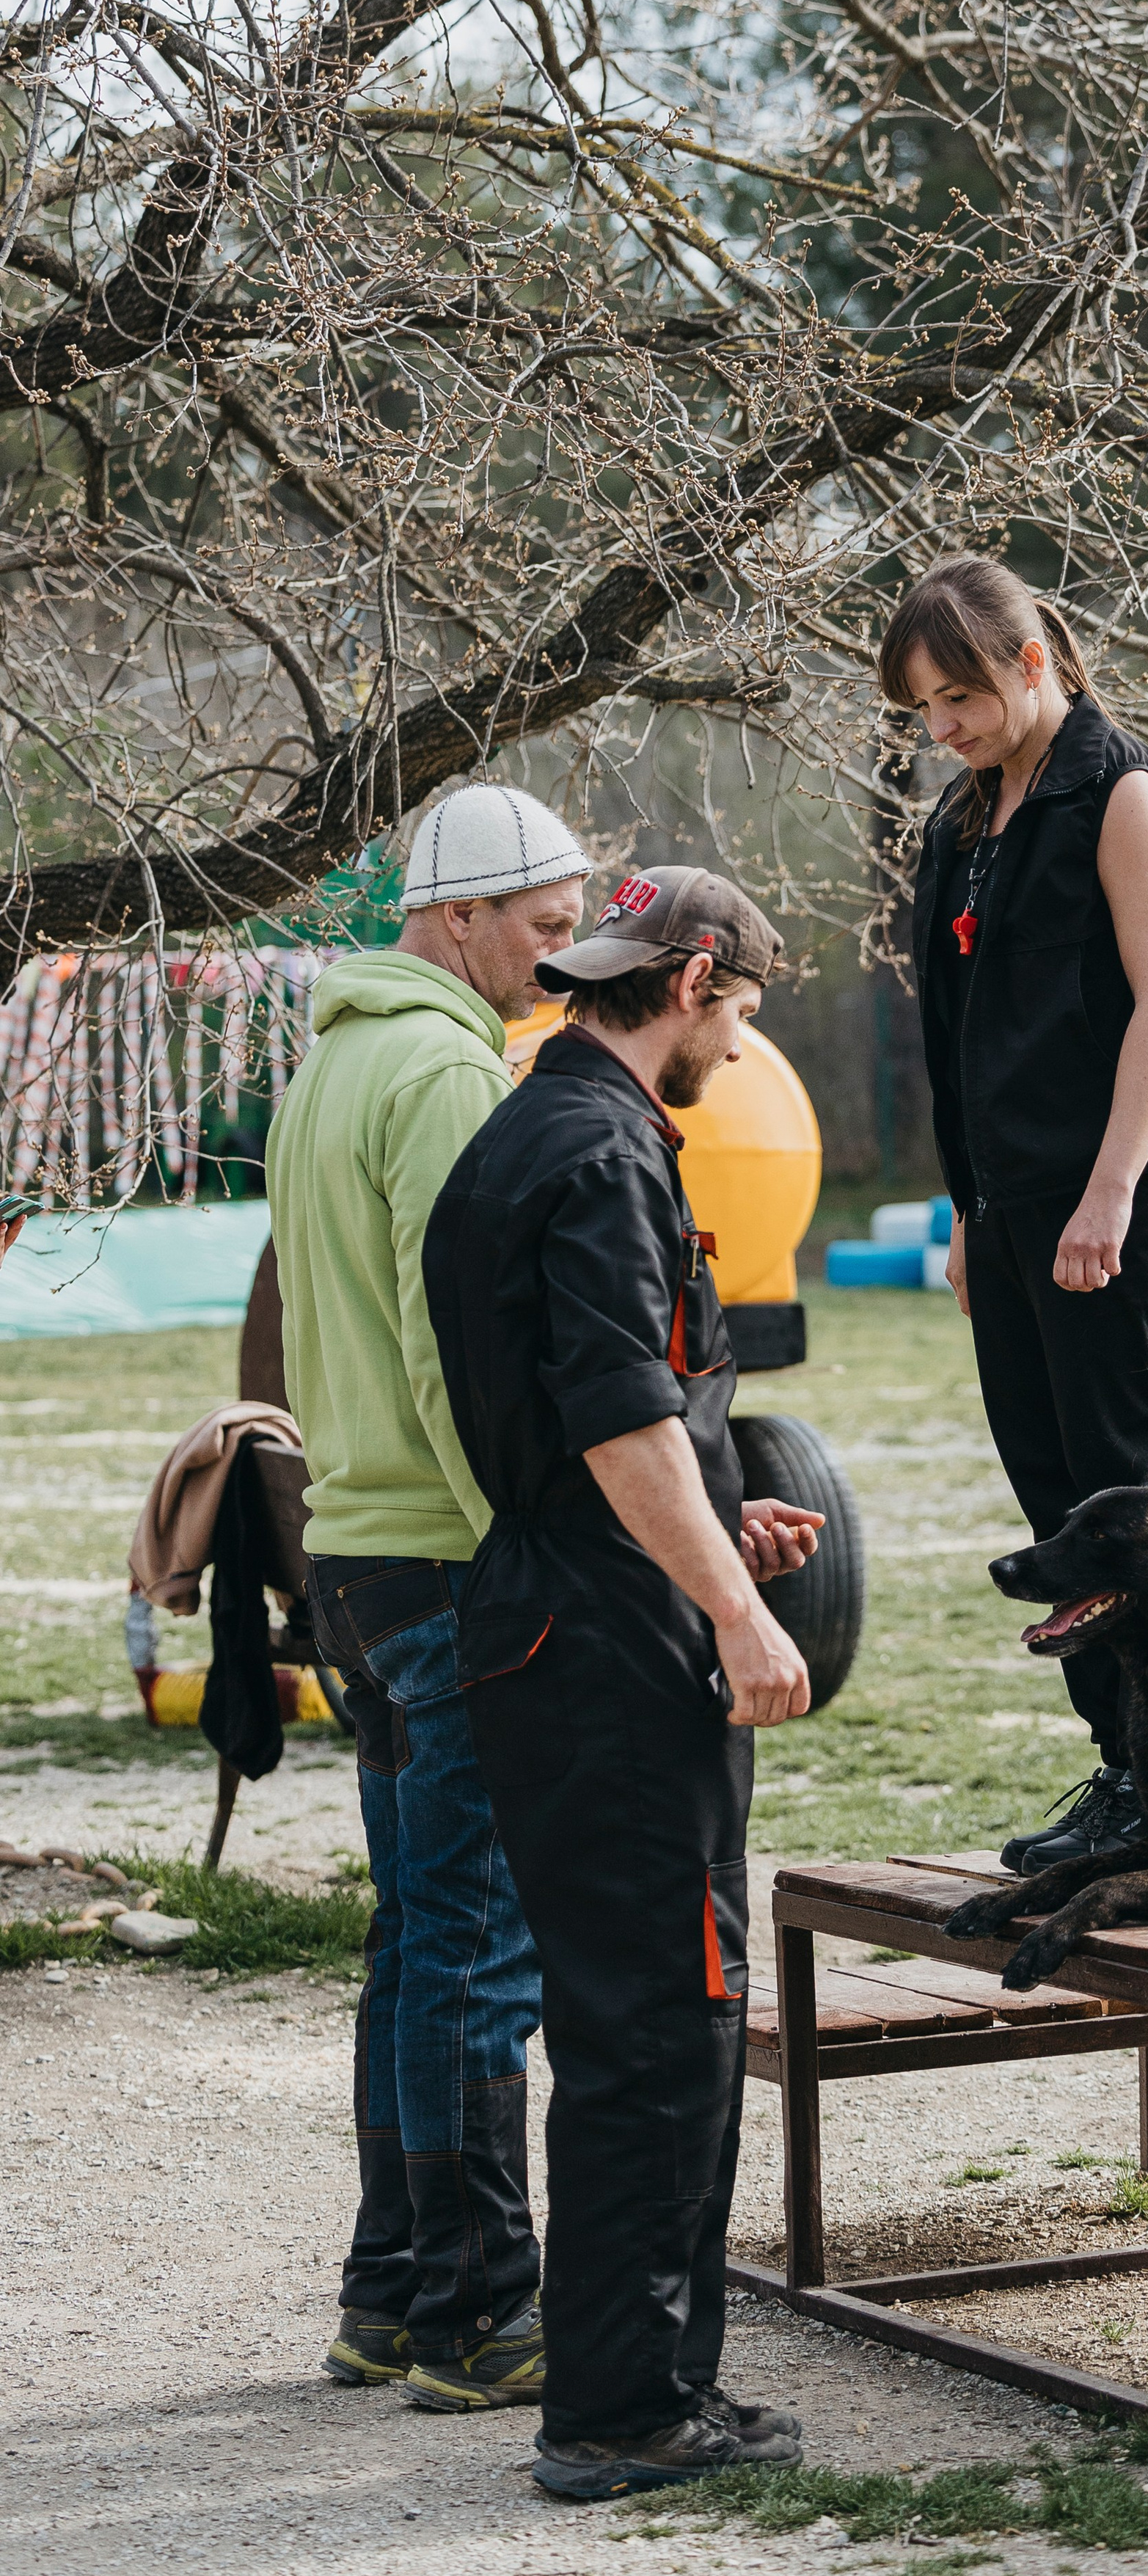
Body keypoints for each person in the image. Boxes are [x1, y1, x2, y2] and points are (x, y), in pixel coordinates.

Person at [423, 864, 820, 2500]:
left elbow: (598, 1418)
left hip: (555, 1604)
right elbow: (611, 1414)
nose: (735, 1052)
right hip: (603, 1643)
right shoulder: (599, 1152)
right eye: (735, 1016)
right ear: (691, 980)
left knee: (640, 2009)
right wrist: (731, 1604)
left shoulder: (530, 1123)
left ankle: (652, 2382)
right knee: (660, 2017)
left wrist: (720, 1520)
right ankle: (618, 2410)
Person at [266, 782, 591, 2410]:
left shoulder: (328, 1061)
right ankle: (483, 2317)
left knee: (415, 1940)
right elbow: (445, 1339)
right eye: (541, 928)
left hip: (347, 1553)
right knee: (475, 1951)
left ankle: (386, 2295)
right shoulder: (452, 1067)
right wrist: (513, 1545)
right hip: (445, 1556)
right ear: (456, 916)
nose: (558, 955)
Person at [882, 552, 1148, 1877]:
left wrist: (1109, 1194)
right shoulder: (964, 824)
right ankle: (1125, 1768)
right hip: (1015, 1198)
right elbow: (962, 1036)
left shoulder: (1122, 793)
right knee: (1054, 1497)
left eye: (959, 696)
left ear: (1034, 663)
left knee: (1129, 1490)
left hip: (1123, 1184)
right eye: (923, 709)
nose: (943, 729)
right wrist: (971, 1208)